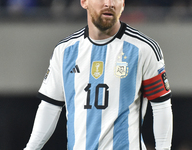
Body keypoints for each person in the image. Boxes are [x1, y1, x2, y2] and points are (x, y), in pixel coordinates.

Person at [24, 0, 173, 149]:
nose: (109, 3)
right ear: (84, 2)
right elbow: (50, 106)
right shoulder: (64, 51)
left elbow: (161, 106)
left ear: (123, 4)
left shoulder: (143, 49)